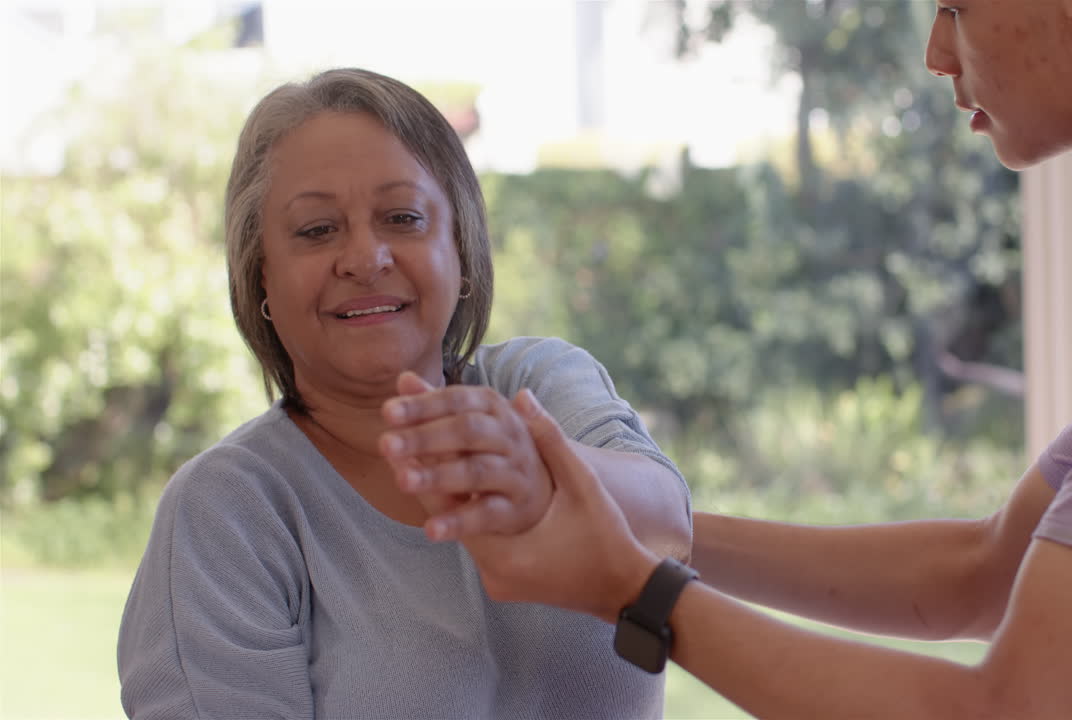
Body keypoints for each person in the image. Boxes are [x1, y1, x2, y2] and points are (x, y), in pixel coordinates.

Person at [396, 0, 1072, 717]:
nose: (937, 53)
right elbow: (984, 571)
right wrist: (639, 517)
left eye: (957, 8)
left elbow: (1018, 708)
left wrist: (638, 590)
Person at [117, 68, 691, 719]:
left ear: (463, 253)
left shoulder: (540, 384)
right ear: (262, 278)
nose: (365, 258)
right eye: (316, 230)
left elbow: (670, 526)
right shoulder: (227, 509)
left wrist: (538, 465)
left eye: (403, 218)